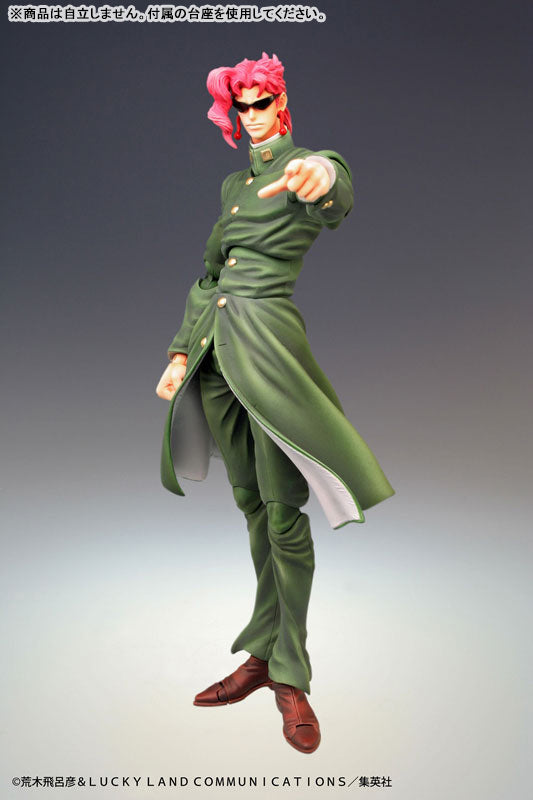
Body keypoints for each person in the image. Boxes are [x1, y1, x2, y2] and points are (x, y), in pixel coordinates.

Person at [156, 52, 394, 754]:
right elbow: (209, 276)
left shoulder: (303, 165)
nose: (253, 115)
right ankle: (262, 653)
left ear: (281, 103)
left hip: (266, 350)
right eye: (243, 106)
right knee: (252, 506)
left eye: (263, 102)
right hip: (216, 357)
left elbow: (333, 190)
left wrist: (322, 176)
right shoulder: (234, 183)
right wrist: (180, 351)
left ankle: (291, 673)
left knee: (284, 514)